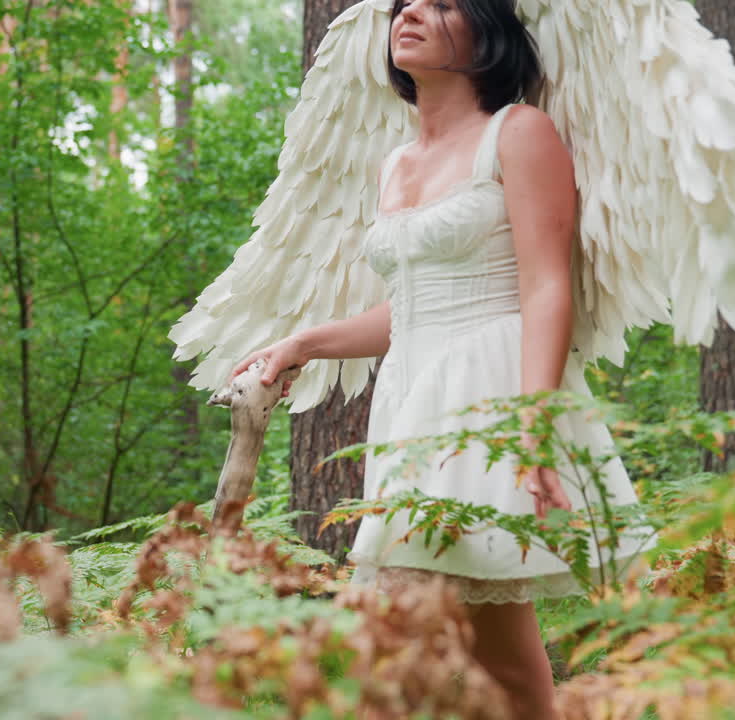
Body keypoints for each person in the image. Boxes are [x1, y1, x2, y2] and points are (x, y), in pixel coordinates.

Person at [230, 0, 653, 716]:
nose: (412, 13)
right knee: (499, 658)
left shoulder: (518, 132)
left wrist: (533, 422)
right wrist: (302, 343)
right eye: (403, 6)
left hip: (491, 396)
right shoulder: (394, 164)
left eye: (442, 3)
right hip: (413, 399)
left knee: (404, 638)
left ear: (486, 32)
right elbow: (410, 312)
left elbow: (547, 286)